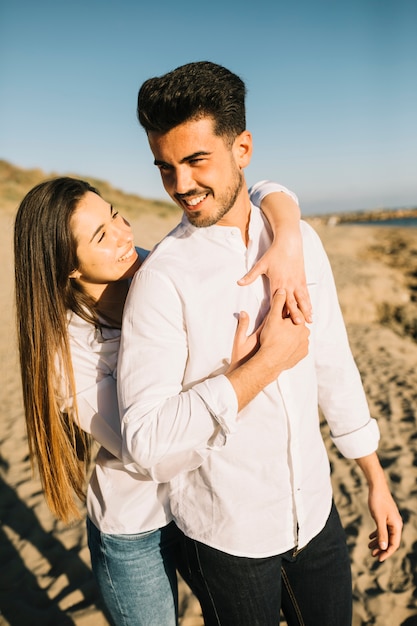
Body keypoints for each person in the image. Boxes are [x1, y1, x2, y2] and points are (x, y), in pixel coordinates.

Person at [117, 61, 403, 626]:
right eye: (165, 167)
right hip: (225, 533)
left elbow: (333, 362)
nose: (181, 186)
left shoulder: (297, 240)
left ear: (242, 148)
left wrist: (375, 477)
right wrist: (261, 366)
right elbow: (144, 440)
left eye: (196, 160)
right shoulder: (162, 279)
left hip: (317, 513)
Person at [14, 176, 310, 626]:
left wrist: (288, 233)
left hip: (205, 506)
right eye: (101, 235)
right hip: (137, 528)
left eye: (114, 213)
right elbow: (151, 453)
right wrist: (239, 376)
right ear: (68, 267)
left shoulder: (155, 271)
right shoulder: (65, 358)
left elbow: (255, 194)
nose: (124, 233)